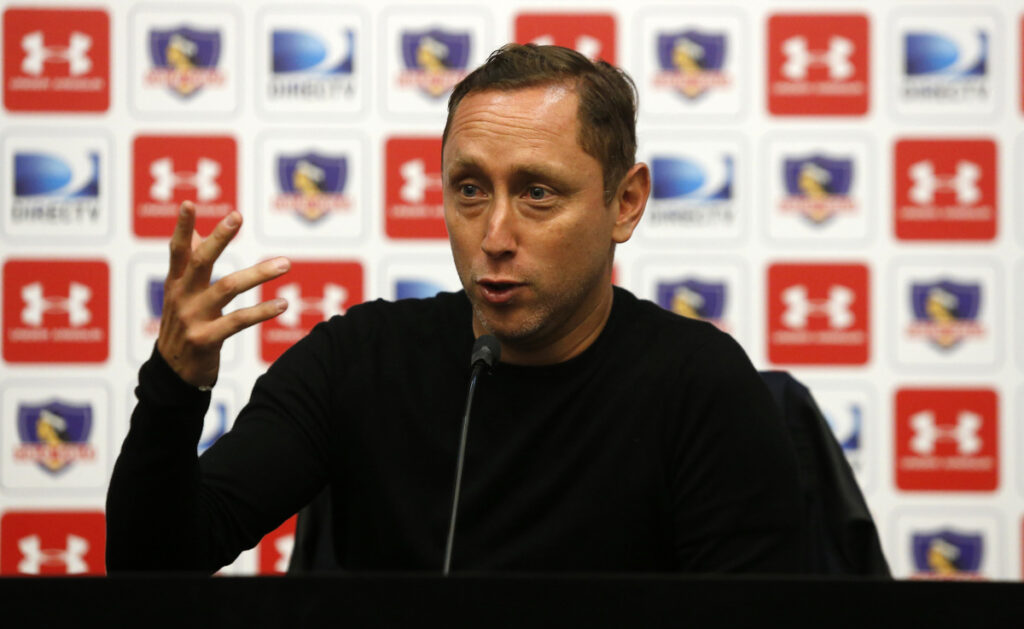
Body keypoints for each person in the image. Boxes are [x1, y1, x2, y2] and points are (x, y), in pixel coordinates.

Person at [106, 44, 804, 574]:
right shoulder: (358, 360)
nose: (494, 237)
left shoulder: (699, 384)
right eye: (470, 190)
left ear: (624, 203)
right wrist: (173, 384)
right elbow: (154, 565)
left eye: (537, 192)